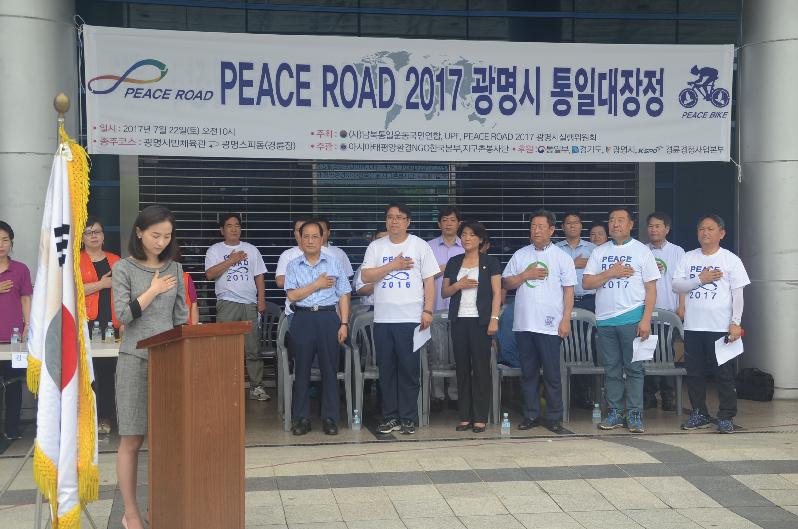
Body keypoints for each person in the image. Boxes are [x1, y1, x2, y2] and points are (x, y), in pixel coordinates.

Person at [113, 205, 188, 529]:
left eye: (167, 236)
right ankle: (130, 513)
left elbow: (181, 319)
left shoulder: (176, 269)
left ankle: (159, 508)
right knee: (132, 439)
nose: (161, 242)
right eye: (155, 235)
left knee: (166, 440)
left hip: (168, 361)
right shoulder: (123, 269)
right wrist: (154, 290)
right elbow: (123, 316)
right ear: (139, 232)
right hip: (134, 359)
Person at [361, 203, 438, 435]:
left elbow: (429, 281)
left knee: (408, 370)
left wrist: (428, 310)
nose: (394, 221)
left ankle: (408, 418)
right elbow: (366, 275)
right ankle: (390, 417)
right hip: (383, 319)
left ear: (408, 222)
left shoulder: (420, 245)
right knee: (386, 370)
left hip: (410, 319)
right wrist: (393, 265)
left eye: (399, 217)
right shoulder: (376, 246)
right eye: (390, 217)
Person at [583, 207, 660, 433]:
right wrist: (611, 272)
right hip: (605, 320)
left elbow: (651, 289)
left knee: (634, 368)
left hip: (632, 318)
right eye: (611, 220)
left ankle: (635, 413)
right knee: (611, 369)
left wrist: (645, 320)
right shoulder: (599, 252)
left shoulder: (642, 251)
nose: (615, 224)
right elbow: (586, 283)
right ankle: (615, 412)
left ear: (630, 225)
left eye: (620, 220)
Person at [674, 215, 750, 434]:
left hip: (720, 327)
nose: (705, 233)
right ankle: (699, 413)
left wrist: (735, 323)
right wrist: (701, 279)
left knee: (723, 373)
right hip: (693, 326)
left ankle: (726, 415)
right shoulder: (688, 257)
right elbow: (677, 286)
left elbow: (738, 294)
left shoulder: (730, 260)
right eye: (701, 229)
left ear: (721, 233)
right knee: (695, 373)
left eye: (710, 229)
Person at [502, 210, 576, 433]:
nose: (535, 230)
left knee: (552, 374)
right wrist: (525, 276)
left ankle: (554, 417)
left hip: (550, 325)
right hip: (524, 324)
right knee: (528, 373)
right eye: (533, 226)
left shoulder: (562, 257)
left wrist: (565, 320)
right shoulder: (520, 255)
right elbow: (506, 283)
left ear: (551, 230)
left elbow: (569, 292)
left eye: (540, 226)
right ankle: (531, 415)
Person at [284, 220, 351, 435]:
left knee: (329, 369)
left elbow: (344, 294)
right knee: (301, 370)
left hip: (327, 317)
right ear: (300, 239)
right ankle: (301, 419)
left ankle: (330, 418)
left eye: (315, 236)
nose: (310, 240)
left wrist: (344, 323)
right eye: (306, 236)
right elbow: (292, 295)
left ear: (322, 238)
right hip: (302, 318)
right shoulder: (293, 265)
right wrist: (316, 285)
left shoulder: (334, 263)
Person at [441, 222, 501, 433]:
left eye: (472, 235)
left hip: (480, 321)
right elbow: (445, 292)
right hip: (459, 320)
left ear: (480, 240)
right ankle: (465, 416)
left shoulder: (490, 262)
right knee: (462, 368)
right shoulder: (454, 262)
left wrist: (494, 318)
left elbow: (497, 293)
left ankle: (480, 417)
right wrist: (459, 285)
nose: (467, 238)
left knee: (481, 369)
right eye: (464, 234)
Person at [204, 213, 269, 401]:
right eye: (229, 225)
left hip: (249, 304)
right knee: (225, 348)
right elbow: (210, 274)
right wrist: (231, 260)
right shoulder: (214, 250)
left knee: (253, 348)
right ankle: (226, 387)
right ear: (222, 230)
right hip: (227, 303)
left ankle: (256, 387)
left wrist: (261, 300)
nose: (234, 229)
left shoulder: (251, 249)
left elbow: (259, 276)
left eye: (237, 225)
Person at [80, 216, 121, 436]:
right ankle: (86, 417)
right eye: (88, 232)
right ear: (82, 238)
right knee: (87, 373)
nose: (93, 235)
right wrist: (101, 284)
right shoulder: (76, 261)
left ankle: (106, 416)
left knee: (107, 372)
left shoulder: (116, 261)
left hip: (111, 323)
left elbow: (126, 292)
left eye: (97, 231)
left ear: (103, 236)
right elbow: (71, 292)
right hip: (85, 323)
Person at [644, 212, 686, 412]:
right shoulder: (642, 251)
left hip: (669, 312)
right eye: (650, 226)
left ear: (667, 229)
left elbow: (682, 281)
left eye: (658, 226)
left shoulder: (677, 252)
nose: (653, 230)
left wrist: (682, 305)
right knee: (646, 353)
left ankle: (669, 396)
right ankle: (649, 396)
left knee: (667, 353)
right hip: (646, 313)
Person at [556, 212, 597, 409]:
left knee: (589, 345)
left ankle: (588, 392)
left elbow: (602, 274)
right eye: (568, 223)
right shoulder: (555, 250)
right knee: (566, 345)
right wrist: (573, 265)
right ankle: (569, 392)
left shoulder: (594, 250)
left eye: (576, 223)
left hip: (590, 301)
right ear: (562, 227)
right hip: (564, 302)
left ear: (581, 226)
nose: (572, 226)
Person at [427, 206, 464, 411]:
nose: (449, 224)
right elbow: (420, 275)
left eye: (452, 220)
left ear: (459, 223)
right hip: (435, 307)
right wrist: (441, 270)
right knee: (437, 352)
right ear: (439, 223)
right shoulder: (428, 247)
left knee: (459, 352)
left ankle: (456, 394)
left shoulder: (466, 246)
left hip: (461, 308)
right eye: (445, 220)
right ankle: (438, 395)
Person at [0, 221, 32, 441]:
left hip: (15, 339)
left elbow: (26, 298)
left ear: (11, 243)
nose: (1, 244)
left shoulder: (20, 269)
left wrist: (28, 325)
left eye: (5, 240)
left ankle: (12, 429)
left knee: (14, 384)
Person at [353, 227, 388, 306]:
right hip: (372, 308)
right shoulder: (367, 264)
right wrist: (382, 282)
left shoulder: (403, 262)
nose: (383, 243)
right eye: (379, 239)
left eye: (387, 239)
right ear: (373, 241)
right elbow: (360, 291)